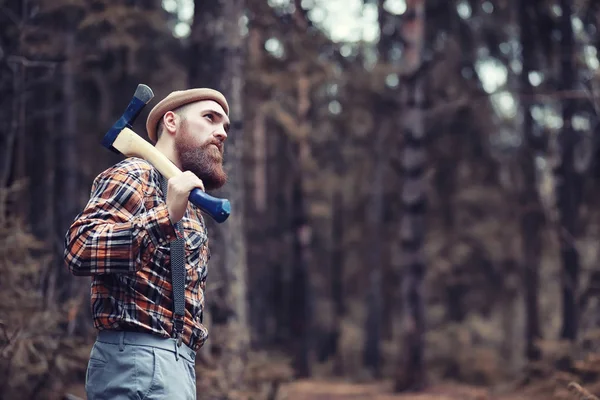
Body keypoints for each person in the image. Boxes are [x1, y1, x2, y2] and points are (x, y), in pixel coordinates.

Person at [64, 88, 231, 400]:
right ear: (171, 121)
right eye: (210, 118)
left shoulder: (187, 199)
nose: (221, 132)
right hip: (138, 363)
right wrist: (164, 217)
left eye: (225, 126)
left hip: (176, 366)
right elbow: (80, 248)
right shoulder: (135, 173)